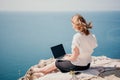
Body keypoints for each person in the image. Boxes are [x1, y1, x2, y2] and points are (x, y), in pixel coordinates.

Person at [30, 14, 98, 78]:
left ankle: (41, 70)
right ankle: (44, 73)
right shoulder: (91, 35)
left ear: (76, 25)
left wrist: (66, 58)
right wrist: (71, 56)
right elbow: (85, 50)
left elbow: (74, 58)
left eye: (72, 24)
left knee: (57, 63)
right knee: (62, 61)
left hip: (78, 66)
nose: (72, 26)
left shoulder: (77, 37)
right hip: (87, 65)